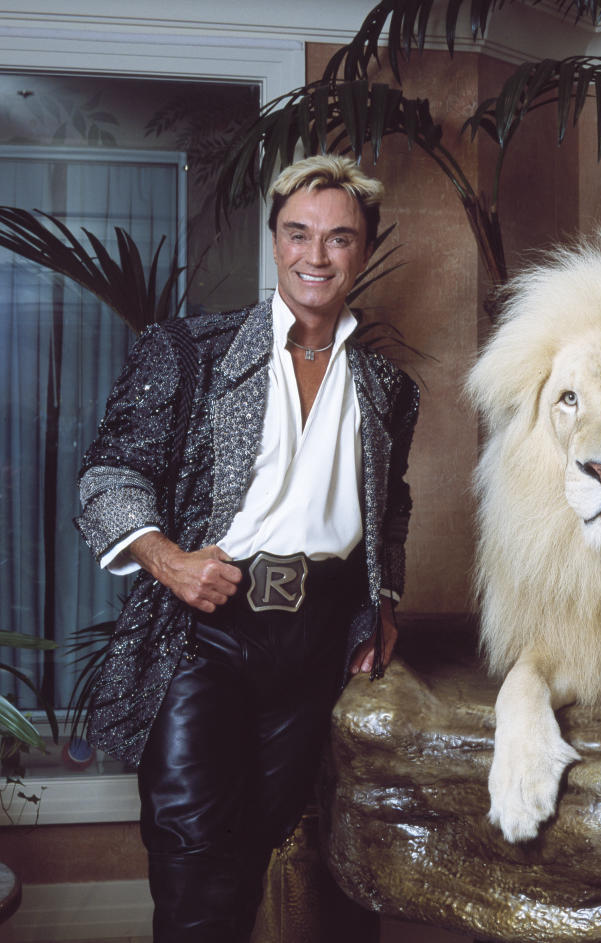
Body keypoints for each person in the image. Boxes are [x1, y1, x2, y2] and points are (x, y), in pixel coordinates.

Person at [75, 155, 419, 941]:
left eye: (338, 239)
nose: (316, 256)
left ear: (362, 252)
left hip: (315, 642)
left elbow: (389, 504)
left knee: (264, 841)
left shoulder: (389, 389)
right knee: (195, 856)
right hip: (208, 630)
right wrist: (167, 558)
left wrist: (383, 599)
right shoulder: (192, 350)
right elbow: (107, 474)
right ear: (273, 242)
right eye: (298, 234)